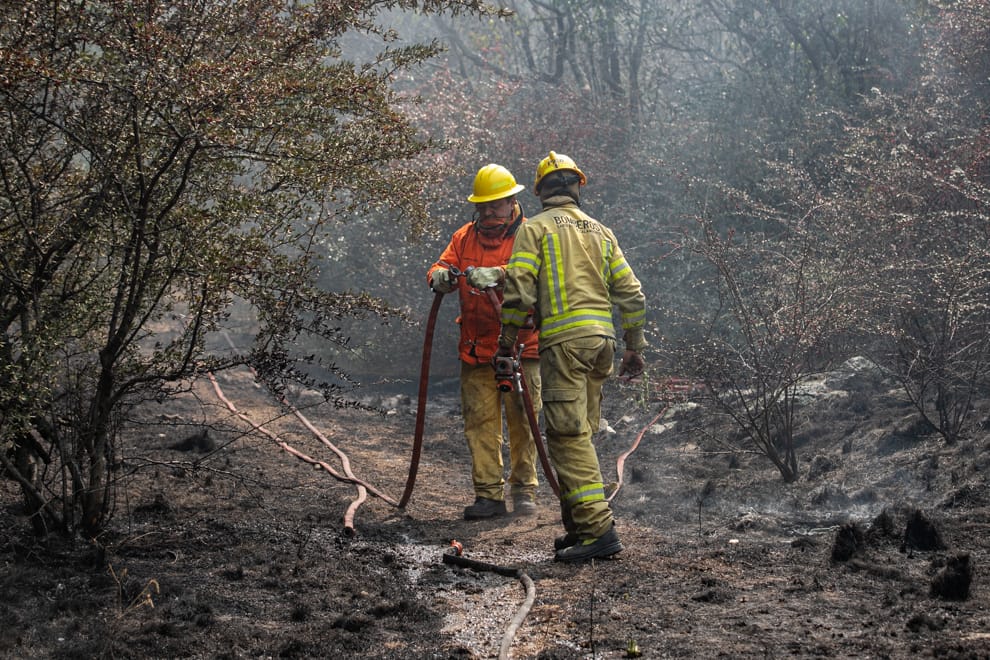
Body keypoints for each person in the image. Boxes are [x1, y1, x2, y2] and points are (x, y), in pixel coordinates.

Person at [497, 151, 646, 561]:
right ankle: (580, 527)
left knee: (567, 436)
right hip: (602, 345)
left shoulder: (535, 230)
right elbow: (632, 294)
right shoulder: (601, 231)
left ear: (541, 191)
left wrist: (507, 340)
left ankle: (598, 531)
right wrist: (633, 346)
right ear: (579, 187)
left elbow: (520, 289)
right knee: (579, 432)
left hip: (564, 345)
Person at [427, 164, 542, 520]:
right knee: (480, 423)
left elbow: (539, 277)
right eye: (483, 206)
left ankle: (524, 492)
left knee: (525, 422)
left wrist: (500, 275)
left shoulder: (531, 234)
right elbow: (439, 266)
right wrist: (440, 277)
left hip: (522, 348)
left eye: (496, 205)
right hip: (476, 350)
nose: (489, 212)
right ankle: (489, 496)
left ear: (512, 202)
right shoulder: (464, 237)